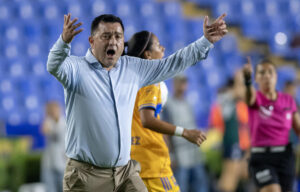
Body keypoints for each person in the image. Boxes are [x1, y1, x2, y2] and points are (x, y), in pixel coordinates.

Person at [47, 13, 228, 191]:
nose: (112, 42)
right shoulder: (76, 69)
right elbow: (53, 65)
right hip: (87, 176)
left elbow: (173, 63)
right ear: (92, 41)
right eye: (106, 36)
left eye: (118, 36)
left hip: (124, 172)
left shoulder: (131, 67)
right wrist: (64, 41)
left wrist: (205, 41)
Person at [126, 31, 207, 192]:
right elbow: (147, 120)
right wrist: (184, 132)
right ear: (148, 55)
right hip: (152, 165)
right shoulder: (151, 81)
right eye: (157, 45)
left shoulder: (128, 79)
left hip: (134, 161)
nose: (162, 48)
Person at [242, 57, 300, 192]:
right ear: (256, 78)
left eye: (270, 72)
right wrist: (247, 81)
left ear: (276, 76)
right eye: (262, 73)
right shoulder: (256, 99)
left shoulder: (288, 100)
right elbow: (249, 97)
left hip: (285, 157)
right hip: (262, 158)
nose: (267, 76)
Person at [162, 75, 209, 192]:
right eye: (180, 82)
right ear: (174, 84)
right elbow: (165, 133)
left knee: (201, 187)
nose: (182, 86)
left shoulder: (188, 103)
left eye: (184, 83)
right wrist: (170, 155)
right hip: (179, 155)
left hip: (194, 153)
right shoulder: (168, 105)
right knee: (180, 188)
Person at [209, 72, 251, 192]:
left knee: (242, 173)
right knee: (229, 177)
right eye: (240, 84)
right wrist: (239, 79)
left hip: (241, 143)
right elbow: (239, 93)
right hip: (232, 142)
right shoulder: (226, 97)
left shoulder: (240, 102)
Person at [41, 101, 66, 192]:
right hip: (49, 164)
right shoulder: (48, 122)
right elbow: (44, 130)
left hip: (63, 163)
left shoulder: (65, 123)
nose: (53, 112)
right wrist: (47, 117)